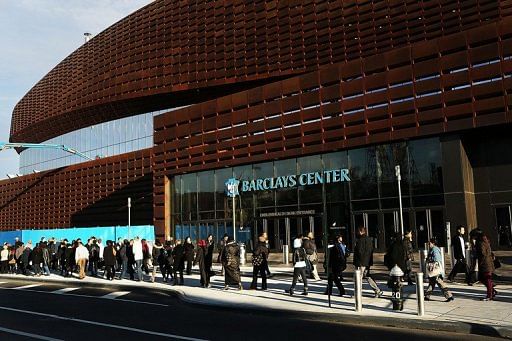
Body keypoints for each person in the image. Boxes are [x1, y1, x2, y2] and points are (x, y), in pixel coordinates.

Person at [353, 226, 383, 298]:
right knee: (367, 276)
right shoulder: (369, 240)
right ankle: (377, 290)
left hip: (361, 262)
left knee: (358, 278)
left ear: (360, 232)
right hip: (367, 261)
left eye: (358, 231)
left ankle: (358, 293)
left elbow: (359, 251)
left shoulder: (360, 240)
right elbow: (370, 251)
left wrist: (358, 262)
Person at [424, 238, 454, 302]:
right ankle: (427, 296)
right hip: (434, 271)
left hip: (435, 270)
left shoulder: (435, 250)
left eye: (430, 243)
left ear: (433, 243)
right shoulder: (433, 249)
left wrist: (429, 260)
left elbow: (437, 260)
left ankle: (449, 296)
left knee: (440, 283)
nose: (429, 244)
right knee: (432, 283)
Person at [476, 231, 497, 301]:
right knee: (484, 279)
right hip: (489, 263)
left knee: (487, 279)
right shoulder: (486, 241)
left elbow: (482, 253)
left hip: (484, 264)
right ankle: (492, 291)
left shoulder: (480, 242)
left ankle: (489, 295)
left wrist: (476, 254)